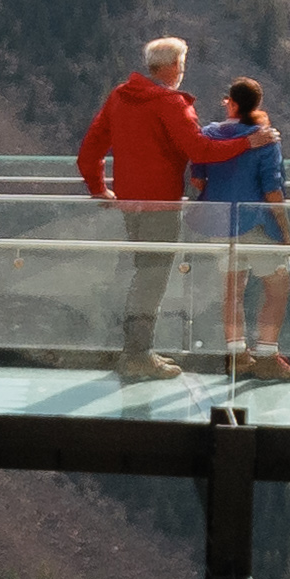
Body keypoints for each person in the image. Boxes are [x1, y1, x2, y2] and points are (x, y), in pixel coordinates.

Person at [74, 34, 213, 382]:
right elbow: (201, 150)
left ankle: (138, 350)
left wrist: (100, 189)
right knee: (152, 279)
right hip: (161, 206)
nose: (183, 71)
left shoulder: (121, 97)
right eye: (181, 65)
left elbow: (88, 153)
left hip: (128, 203)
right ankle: (137, 355)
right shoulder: (169, 103)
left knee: (141, 274)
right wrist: (249, 142)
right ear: (172, 67)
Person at [197, 73, 290, 379]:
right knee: (278, 287)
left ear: (231, 102)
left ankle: (236, 353)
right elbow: (272, 190)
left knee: (232, 291)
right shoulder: (266, 139)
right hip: (258, 226)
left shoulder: (209, 134)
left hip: (221, 224)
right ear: (257, 104)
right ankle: (267, 355)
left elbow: (197, 178)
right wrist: (285, 230)